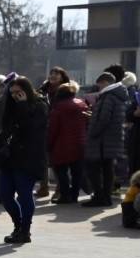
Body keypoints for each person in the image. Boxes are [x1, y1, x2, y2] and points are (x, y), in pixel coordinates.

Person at [0, 75, 47, 246]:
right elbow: (5, 128)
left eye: (19, 92)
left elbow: (32, 130)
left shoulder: (39, 105)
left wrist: (23, 105)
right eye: (12, 93)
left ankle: (25, 230)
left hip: (28, 158)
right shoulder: (10, 106)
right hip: (9, 158)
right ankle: (18, 226)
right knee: (5, 194)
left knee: (24, 195)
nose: (16, 96)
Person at [81, 67, 131, 208]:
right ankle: (106, 197)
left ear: (105, 82)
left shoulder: (108, 96)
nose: (98, 87)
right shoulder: (119, 96)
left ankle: (99, 196)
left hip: (102, 140)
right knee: (108, 169)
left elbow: (104, 119)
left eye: (100, 84)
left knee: (94, 168)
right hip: (113, 139)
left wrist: (93, 132)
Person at [45, 80, 87, 206]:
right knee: (76, 172)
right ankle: (74, 195)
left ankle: (65, 195)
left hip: (61, 144)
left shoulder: (58, 107)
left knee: (61, 171)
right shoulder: (82, 104)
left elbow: (53, 129)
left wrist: (48, 144)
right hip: (80, 142)